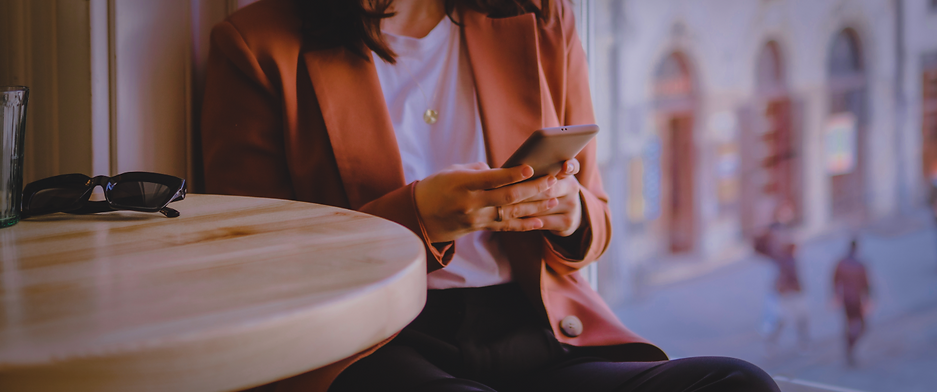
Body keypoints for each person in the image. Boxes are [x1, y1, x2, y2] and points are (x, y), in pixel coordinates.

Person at [201, 0, 779, 390]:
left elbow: (596, 222)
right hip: (377, 344)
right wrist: (418, 218)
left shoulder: (539, 16)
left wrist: (570, 212)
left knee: (738, 383)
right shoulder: (259, 45)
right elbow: (258, 265)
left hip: (537, 328)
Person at [760, 242, 809, 353]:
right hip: (789, 294)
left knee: (800, 319)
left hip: (792, 293)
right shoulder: (787, 260)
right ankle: (771, 343)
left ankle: (803, 343)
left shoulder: (790, 260)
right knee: (786, 320)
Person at [832, 239, 871, 367]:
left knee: (850, 325)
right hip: (856, 300)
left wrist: (836, 296)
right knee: (863, 326)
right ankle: (851, 347)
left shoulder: (841, 263)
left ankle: (849, 347)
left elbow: (835, 280)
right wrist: (868, 300)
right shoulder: (860, 265)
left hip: (846, 300)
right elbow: (866, 285)